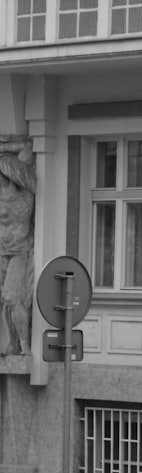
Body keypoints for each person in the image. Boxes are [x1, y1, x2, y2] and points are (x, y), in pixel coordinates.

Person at [0, 137, 35, 356]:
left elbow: (27, 147)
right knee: (5, 300)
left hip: (19, 251)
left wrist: (4, 148)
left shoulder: (24, 191)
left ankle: (25, 346)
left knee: (12, 298)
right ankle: (12, 343)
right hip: (2, 250)